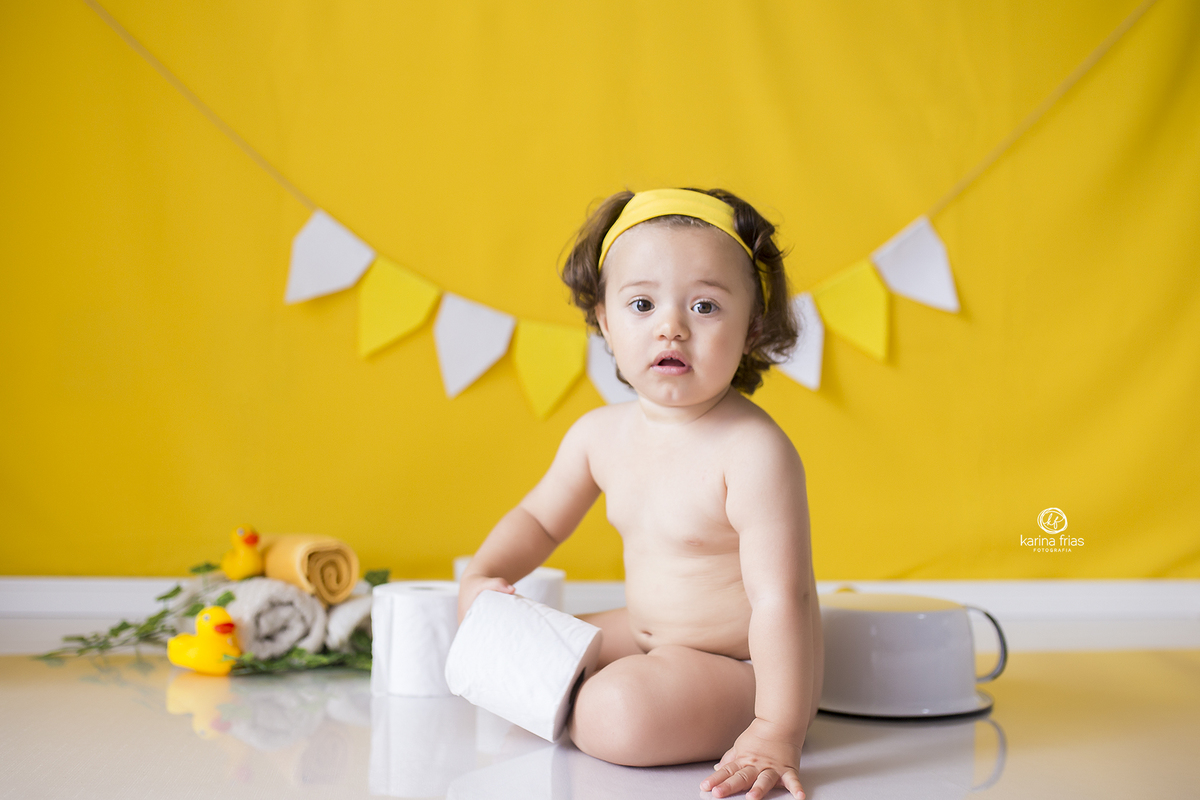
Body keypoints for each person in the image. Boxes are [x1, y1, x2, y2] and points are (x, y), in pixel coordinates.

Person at [457, 188, 823, 800]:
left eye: (705, 306)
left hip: (742, 667)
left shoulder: (753, 452)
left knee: (617, 713)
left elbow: (782, 599)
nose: (671, 327)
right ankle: (576, 697)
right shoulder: (598, 435)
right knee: (514, 642)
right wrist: (483, 576)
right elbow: (539, 521)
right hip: (646, 631)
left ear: (752, 326)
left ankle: (589, 708)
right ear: (605, 320)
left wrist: (776, 728)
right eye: (643, 304)